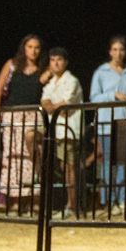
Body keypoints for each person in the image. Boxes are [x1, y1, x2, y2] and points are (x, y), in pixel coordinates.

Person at [0, 34, 46, 215]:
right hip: (12, 115)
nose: (33, 51)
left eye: (37, 47)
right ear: (24, 48)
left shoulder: (42, 69)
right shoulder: (12, 65)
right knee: (12, 156)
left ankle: (33, 199)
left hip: (33, 115)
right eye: (30, 47)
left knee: (32, 156)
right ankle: (14, 201)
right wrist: (0, 114)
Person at [90, 36, 126, 211]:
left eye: (122, 50)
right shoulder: (101, 72)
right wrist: (113, 95)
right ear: (110, 52)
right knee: (108, 162)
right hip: (107, 122)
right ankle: (109, 201)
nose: (118, 53)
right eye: (115, 49)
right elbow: (94, 98)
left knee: (123, 163)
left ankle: (122, 200)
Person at [40, 47, 84, 217]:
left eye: (59, 59)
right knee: (62, 168)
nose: (56, 63)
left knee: (69, 168)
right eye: (52, 60)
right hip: (55, 130)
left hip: (68, 130)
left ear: (65, 62)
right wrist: (54, 106)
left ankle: (72, 206)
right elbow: (44, 102)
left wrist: (53, 106)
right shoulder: (51, 82)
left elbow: (65, 106)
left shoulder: (72, 80)